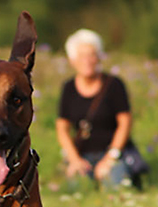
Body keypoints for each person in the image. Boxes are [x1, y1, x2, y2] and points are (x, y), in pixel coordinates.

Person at [56, 29, 141, 190]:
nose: (87, 60)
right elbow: (62, 128)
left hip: (112, 153)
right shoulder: (68, 88)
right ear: (72, 60)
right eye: (82, 56)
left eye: (92, 55)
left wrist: (110, 159)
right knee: (76, 188)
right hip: (82, 155)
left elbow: (125, 123)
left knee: (116, 187)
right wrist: (74, 160)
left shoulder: (114, 85)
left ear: (99, 57)